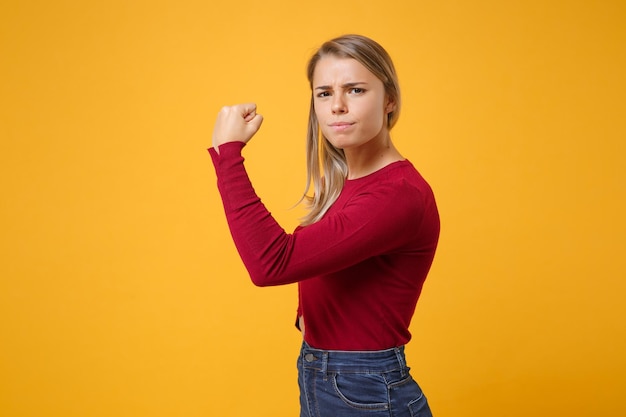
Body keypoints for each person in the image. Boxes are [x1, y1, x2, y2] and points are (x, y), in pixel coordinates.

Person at [209, 34, 440, 417]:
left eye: (355, 89)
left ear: (389, 99)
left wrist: (227, 155)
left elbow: (271, 264)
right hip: (333, 378)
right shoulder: (352, 186)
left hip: (361, 388)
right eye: (324, 93)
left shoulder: (397, 194)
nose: (338, 106)